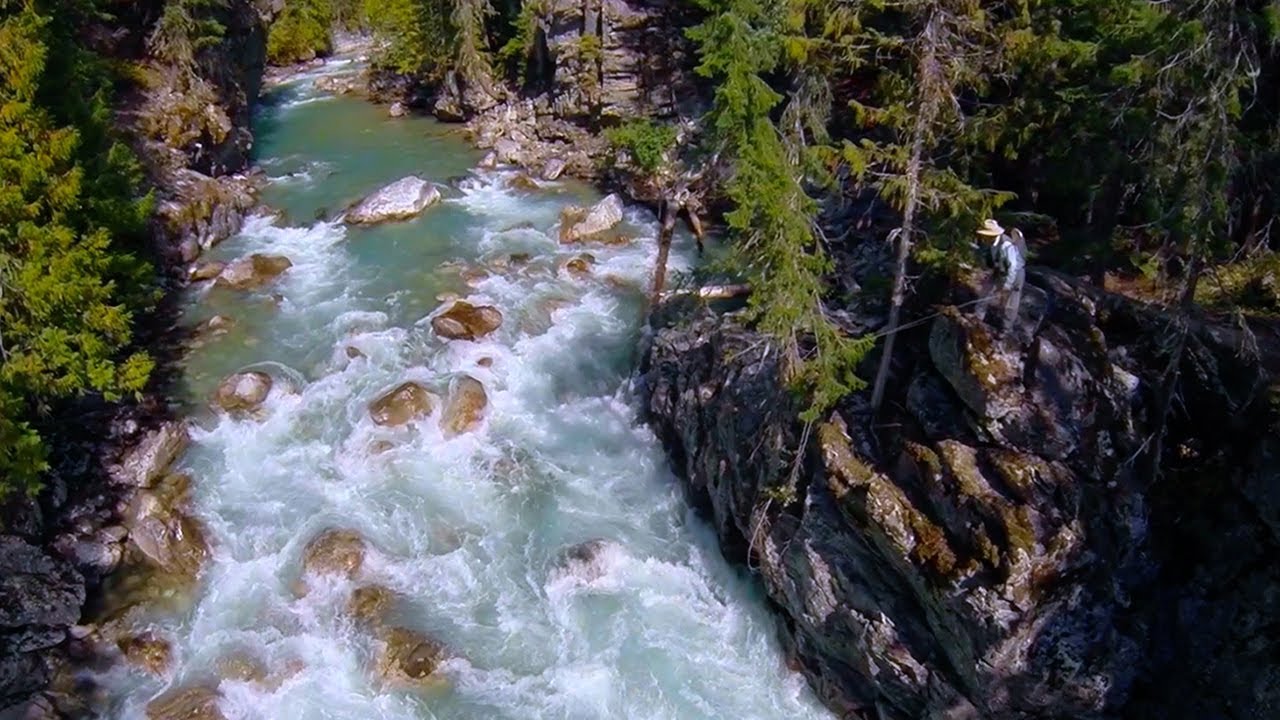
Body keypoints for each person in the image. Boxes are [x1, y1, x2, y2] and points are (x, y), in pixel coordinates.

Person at [974, 218, 1026, 331]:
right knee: (985, 292)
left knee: (1010, 303)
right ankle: (977, 318)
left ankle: (1005, 330)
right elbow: (991, 259)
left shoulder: (1006, 245)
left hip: (1015, 274)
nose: (983, 237)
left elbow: (1013, 268)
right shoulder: (989, 243)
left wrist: (1007, 286)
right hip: (999, 270)